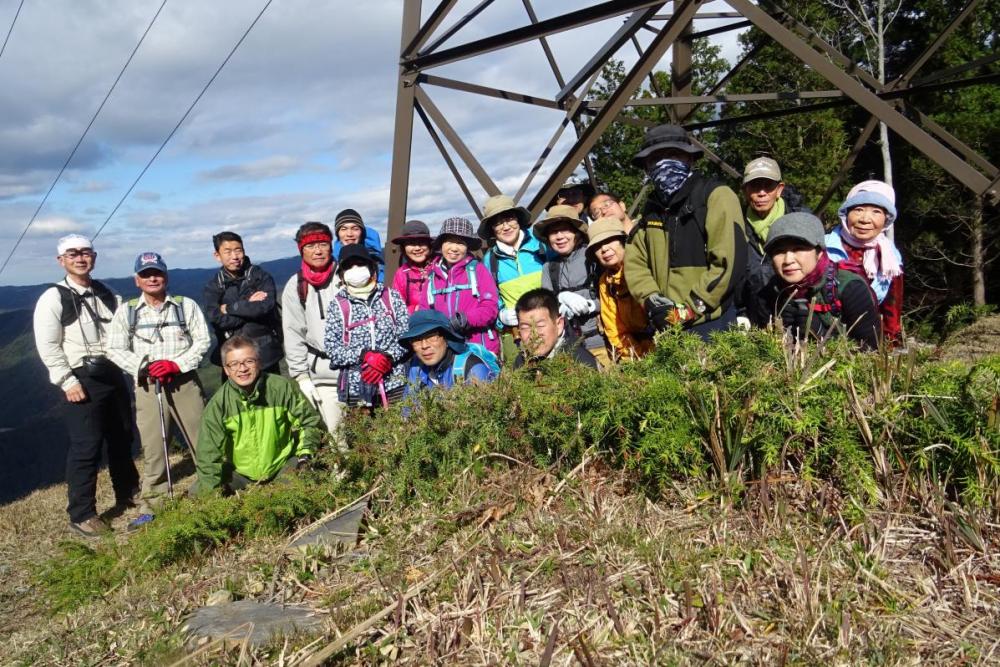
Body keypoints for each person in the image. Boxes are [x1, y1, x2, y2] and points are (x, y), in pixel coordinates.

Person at [32, 234, 141, 537]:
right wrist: (66, 380)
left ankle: (128, 492)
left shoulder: (106, 292)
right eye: (72, 254)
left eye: (85, 253)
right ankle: (82, 514)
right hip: (81, 377)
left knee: (121, 436)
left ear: (93, 256)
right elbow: (48, 345)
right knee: (86, 445)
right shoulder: (54, 298)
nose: (80, 258)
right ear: (61, 261)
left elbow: (125, 329)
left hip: (112, 372)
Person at [106, 252, 211, 528]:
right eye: (146, 274)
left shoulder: (184, 306)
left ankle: (212, 488)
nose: (152, 278)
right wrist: (144, 366)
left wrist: (176, 364)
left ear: (166, 276)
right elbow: (114, 348)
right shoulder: (127, 311)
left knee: (201, 437)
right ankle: (153, 502)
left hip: (184, 381)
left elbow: (202, 341)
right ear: (137, 280)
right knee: (154, 445)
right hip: (147, 384)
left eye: (157, 273)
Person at [625, 124, 747, 340]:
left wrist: (689, 309)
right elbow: (636, 262)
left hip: (711, 324)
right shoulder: (651, 209)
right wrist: (652, 300)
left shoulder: (716, 196)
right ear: (646, 167)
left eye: (673, 155)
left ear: (690, 159)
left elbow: (729, 263)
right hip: (667, 328)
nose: (664, 163)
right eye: (655, 159)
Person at [192, 335, 322, 495]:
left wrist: (305, 457)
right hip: (240, 474)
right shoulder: (218, 405)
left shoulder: (281, 387)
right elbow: (208, 456)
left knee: (305, 482)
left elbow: (310, 423)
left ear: (259, 362)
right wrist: (211, 500)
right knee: (197, 492)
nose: (242, 369)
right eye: (234, 364)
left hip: (283, 465)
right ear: (226, 370)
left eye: (249, 361)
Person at [752, 212, 881, 349]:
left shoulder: (850, 288)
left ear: (819, 252)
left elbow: (871, 351)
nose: (788, 260)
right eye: (779, 251)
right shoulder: (770, 291)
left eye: (798, 249)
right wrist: (777, 331)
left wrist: (822, 335)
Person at [323, 245, 410, 409]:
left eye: (360, 264)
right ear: (341, 274)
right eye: (349, 266)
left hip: (396, 383)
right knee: (364, 433)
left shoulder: (391, 297)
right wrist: (364, 356)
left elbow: (406, 336)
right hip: (357, 389)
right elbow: (332, 348)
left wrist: (388, 357)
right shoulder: (338, 305)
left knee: (403, 430)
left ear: (372, 268)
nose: (355, 269)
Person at [281, 222, 345, 440]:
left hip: (356, 371)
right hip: (322, 375)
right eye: (310, 246)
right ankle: (342, 474)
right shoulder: (296, 285)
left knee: (367, 433)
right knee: (337, 438)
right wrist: (300, 376)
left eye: (323, 244)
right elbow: (293, 333)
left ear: (330, 246)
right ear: (301, 250)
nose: (318, 251)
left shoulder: (347, 275)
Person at [826, 180, 903, 345]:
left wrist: (889, 346)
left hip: (869, 341)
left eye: (876, 212)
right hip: (826, 337)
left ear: (886, 219)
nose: (865, 219)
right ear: (846, 214)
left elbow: (891, 308)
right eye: (858, 210)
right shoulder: (823, 248)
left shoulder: (890, 257)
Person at [739, 157, 810, 324]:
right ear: (745, 190)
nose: (761, 193)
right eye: (755, 186)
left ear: (779, 189)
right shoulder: (734, 224)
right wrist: (740, 312)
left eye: (768, 186)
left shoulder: (802, 222)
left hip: (797, 319)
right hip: (752, 320)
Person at [535, 205, 608, 368]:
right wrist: (559, 301)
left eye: (565, 230)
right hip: (568, 350)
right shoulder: (549, 267)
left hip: (601, 344)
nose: (559, 236)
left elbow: (613, 297)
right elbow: (547, 307)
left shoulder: (593, 257)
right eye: (553, 232)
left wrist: (592, 305)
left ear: (577, 234)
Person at [479, 194, 548, 363]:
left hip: (549, 326)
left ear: (518, 220)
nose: (506, 226)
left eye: (509, 218)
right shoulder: (489, 260)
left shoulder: (542, 245)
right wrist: (501, 317)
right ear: (492, 229)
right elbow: (489, 298)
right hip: (515, 334)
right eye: (498, 222)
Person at [203, 231, 282, 376]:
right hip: (233, 359)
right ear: (217, 256)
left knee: (274, 396)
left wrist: (229, 308)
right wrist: (249, 306)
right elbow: (217, 320)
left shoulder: (260, 277)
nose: (234, 256)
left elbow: (265, 307)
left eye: (238, 250)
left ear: (244, 251)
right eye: (227, 252)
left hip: (266, 356)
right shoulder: (213, 286)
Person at [426, 216, 501, 356]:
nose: (454, 248)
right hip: (445, 348)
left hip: (478, 345)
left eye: (460, 243)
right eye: (449, 242)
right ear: (441, 244)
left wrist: (465, 319)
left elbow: (490, 307)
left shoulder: (478, 270)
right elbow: (425, 312)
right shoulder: (431, 277)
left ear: (467, 246)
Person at [587, 217, 654, 361]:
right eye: (598, 246)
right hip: (639, 356)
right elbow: (614, 328)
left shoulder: (647, 265)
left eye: (609, 241)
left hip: (668, 343)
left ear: (623, 241)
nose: (604, 249)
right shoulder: (606, 282)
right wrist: (636, 358)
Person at [400, 310, 498, 398]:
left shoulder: (473, 369)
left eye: (431, 337)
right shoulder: (416, 368)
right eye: (416, 340)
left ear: (447, 339)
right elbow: (408, 411)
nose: (424, 345)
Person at [513, 288, 598, 369]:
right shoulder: (520, 363)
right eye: (525, 327)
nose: (533, 335)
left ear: (559, 324)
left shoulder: (581, 364)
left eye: (540, 325)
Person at [390, 219, 435, 314]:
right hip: (415, 324)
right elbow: (397, 307)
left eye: (422, 243)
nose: (417, 248)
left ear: (429, 246)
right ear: (403, 248)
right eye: (411, 244)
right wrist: (415, 309)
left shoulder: (439, 267)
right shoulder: (401, 274)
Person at [332, 208, 385, 282]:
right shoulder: (333, 264)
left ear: (362, 233)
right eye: (344, 229)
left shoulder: (376, 262)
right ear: (338, 234)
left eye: (355, 229)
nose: (349, 234)